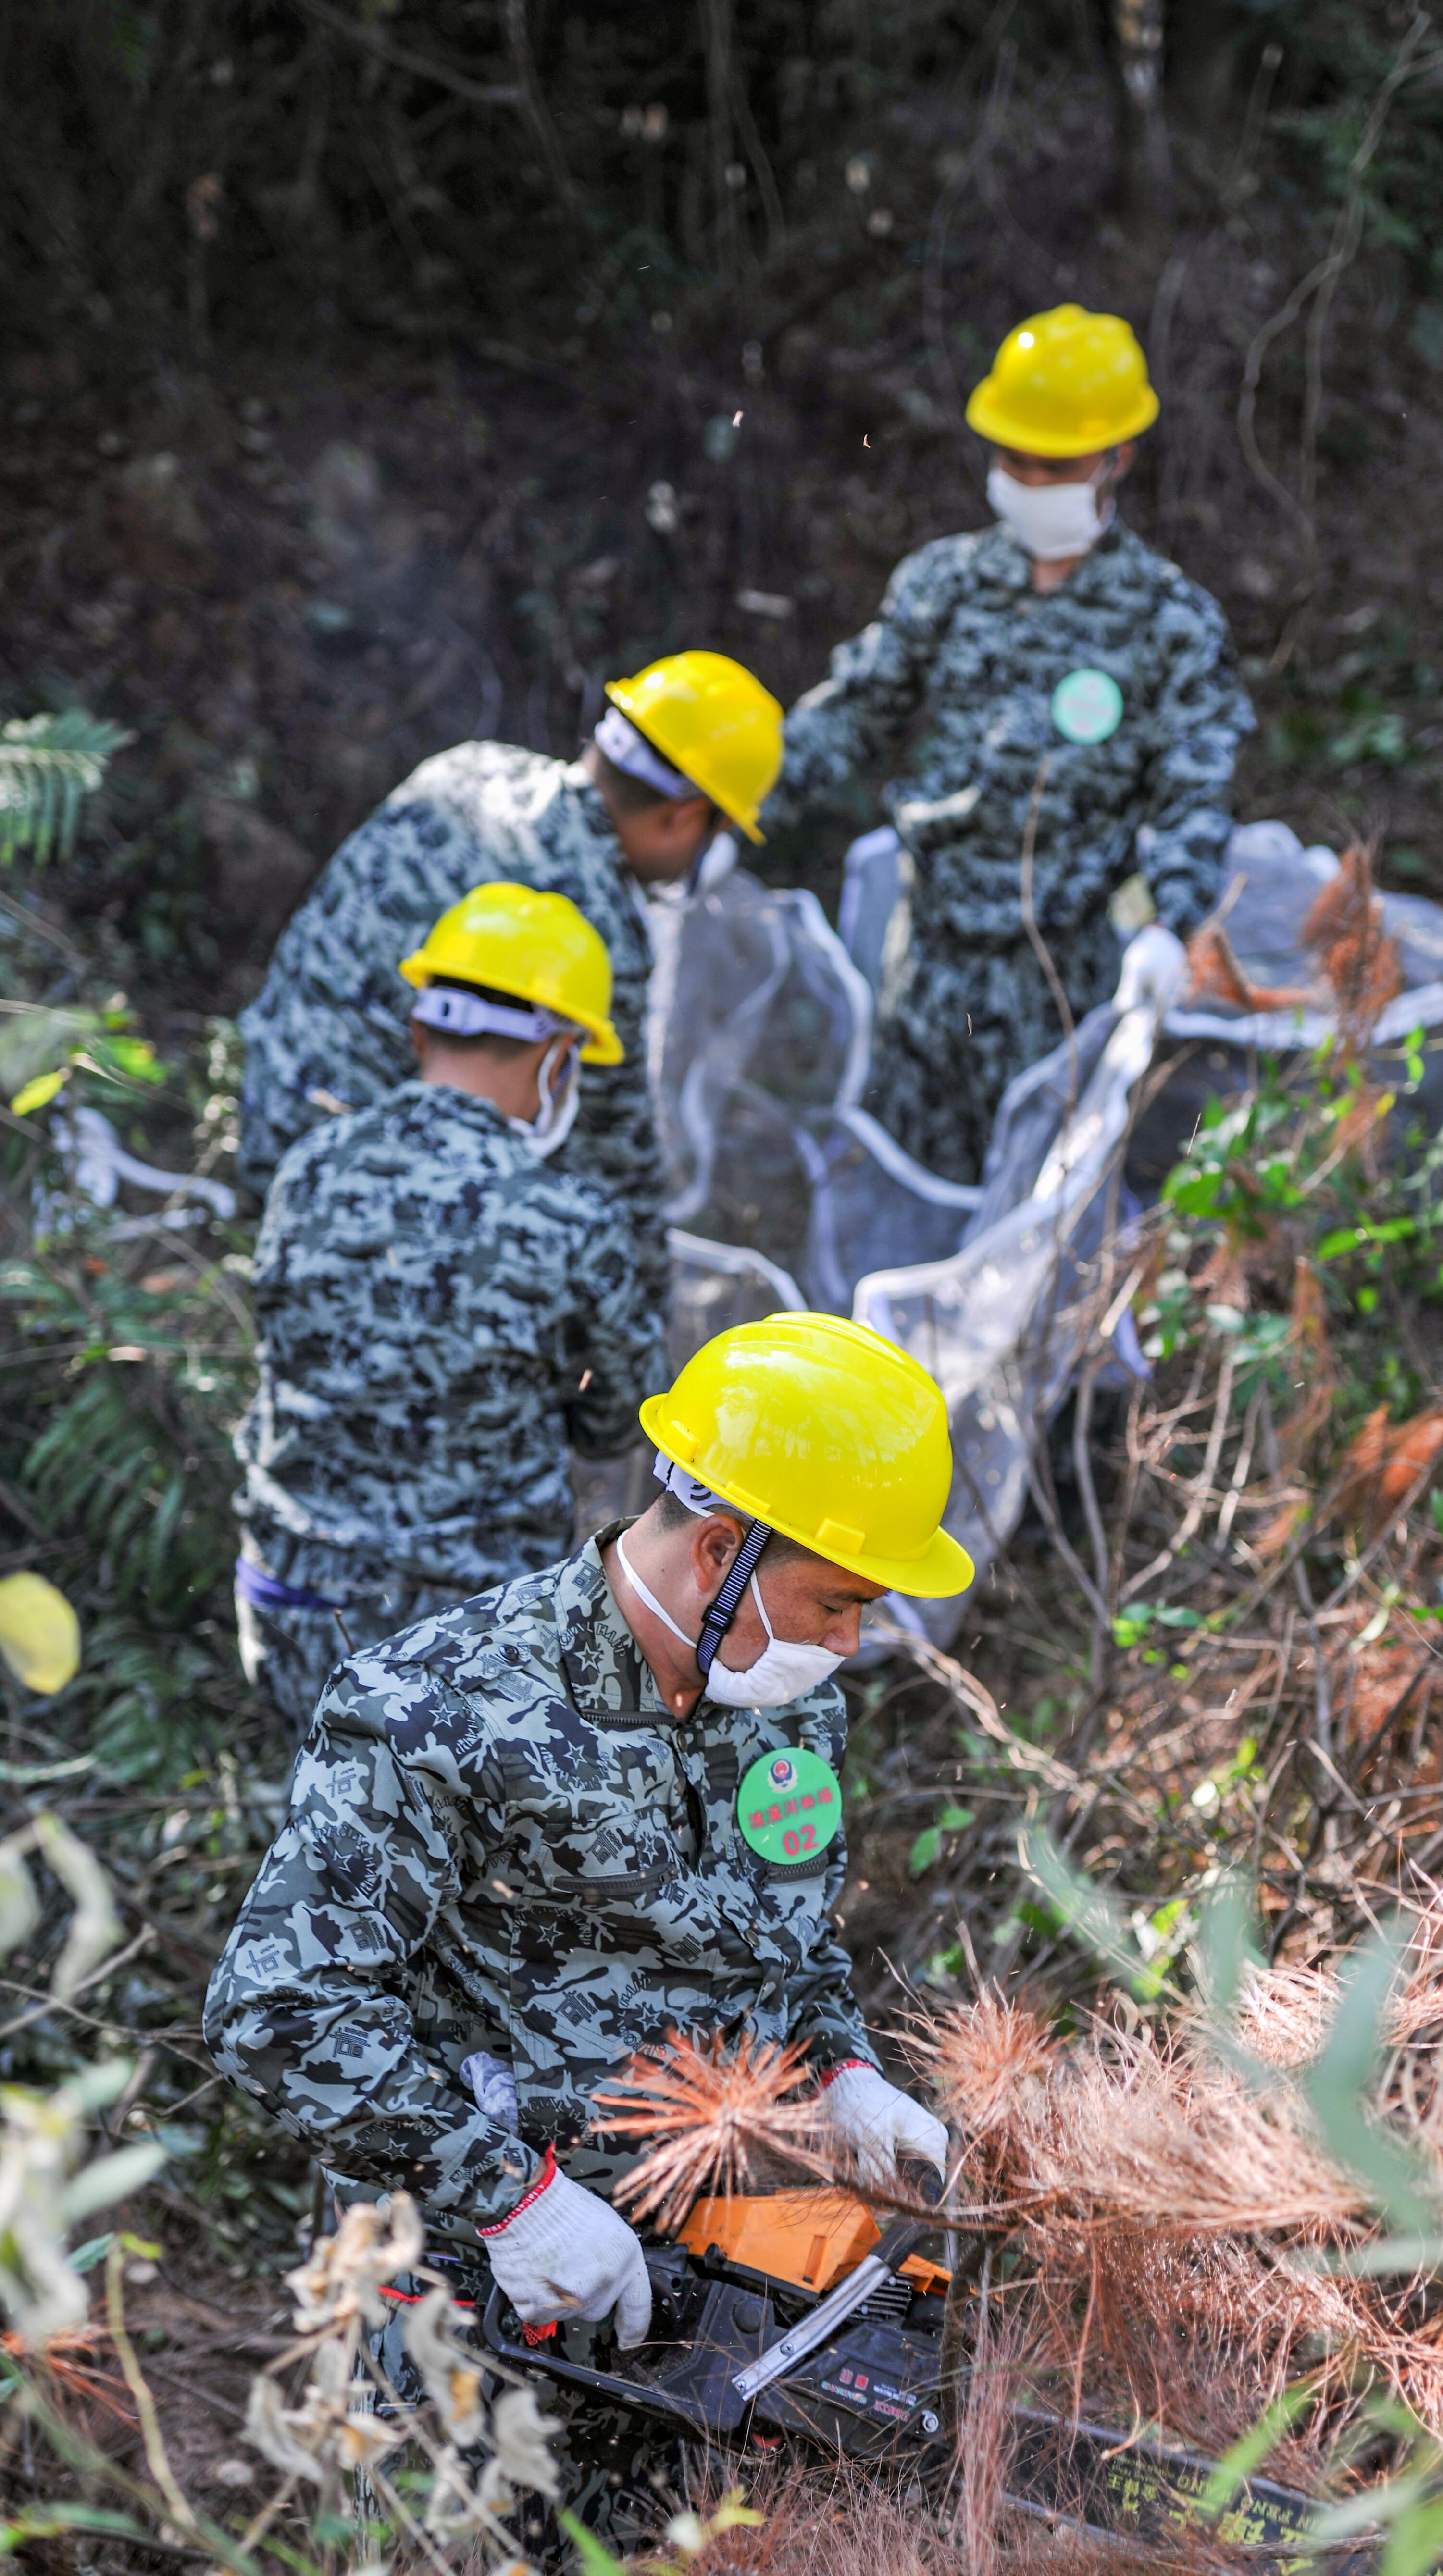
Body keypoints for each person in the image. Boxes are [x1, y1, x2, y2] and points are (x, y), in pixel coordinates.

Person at [205, 1311, 971, 2344]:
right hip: (477, 2291)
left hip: (720, 2269)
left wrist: (845, 2071)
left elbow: (783, 1936)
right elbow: (279, 2011)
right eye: (835, 1603)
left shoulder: (784, 1703)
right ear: (718, 1551)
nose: (851, 1639)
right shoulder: (439, 1709)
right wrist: (513, 2198)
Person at [762, 303, 1254, 1184]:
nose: (1030, 479)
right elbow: (851, 715)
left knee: (1040, 1208)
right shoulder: (945, 584)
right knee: (906, 1192)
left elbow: (1195, 784)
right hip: (927, 974)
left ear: (1117, 459)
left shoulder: (1167, 622)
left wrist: (1171, 925)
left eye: (1055, 464)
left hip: (1061, 988)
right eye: (1013, 459)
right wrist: (736, 809)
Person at [236, 650, 785, 1332]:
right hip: (357, 1230)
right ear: (684, 818)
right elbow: (614, 1161)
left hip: (267, 1128)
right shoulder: (599, 932)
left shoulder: (467, 768)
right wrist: (647, 1324)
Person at [234, 881, 666, 1735]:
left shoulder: (306, 1171)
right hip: (465, 1646)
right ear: (556, 1060)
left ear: (420, 1029)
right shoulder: (566, 1220)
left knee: (322, 1839)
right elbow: (616, 1423)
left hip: (290, 1616)